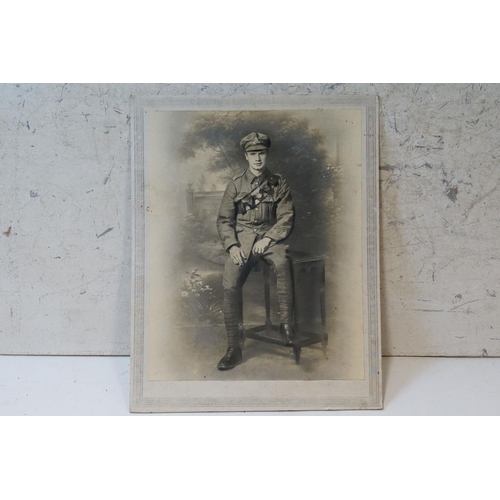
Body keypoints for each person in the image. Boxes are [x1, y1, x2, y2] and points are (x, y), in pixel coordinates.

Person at [216, 132, 295, 370]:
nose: (257, 158)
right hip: (242, 240)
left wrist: (270, 238)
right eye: (253, 154)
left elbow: (286, 216)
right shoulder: (236, 184)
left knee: (283, 264)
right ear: (246, 156)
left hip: (269, 239)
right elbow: (223, 220)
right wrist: (232, 245)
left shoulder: (278, 182)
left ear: (266, 154)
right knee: (230, 284)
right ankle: (234, 348)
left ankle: (286, 326)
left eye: (261, 153)